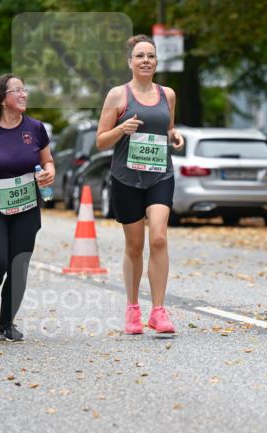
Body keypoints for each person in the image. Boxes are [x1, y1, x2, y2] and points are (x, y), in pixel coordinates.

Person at [96, 34, 184, 336]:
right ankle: (133, 308)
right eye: (140, 56)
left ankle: (158, 311)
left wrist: (174, 135)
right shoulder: (118, 96)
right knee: (135, 246)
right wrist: (121, 128)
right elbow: (100, 141)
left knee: (158, 237)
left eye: (151, 55)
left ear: (157, 61)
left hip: (160, 174)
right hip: (126, 177)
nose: (146, 60)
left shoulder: (168, 94)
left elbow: (168, 126)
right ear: (130, 62)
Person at [0, 74, 55, 341]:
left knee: (18, 264)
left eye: (25, 89)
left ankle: (7, 323)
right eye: (17, 90)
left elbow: (48, 161)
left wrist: (48, 173)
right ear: (2, 98)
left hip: (26, 206)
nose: (24, 94)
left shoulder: (35, 128)